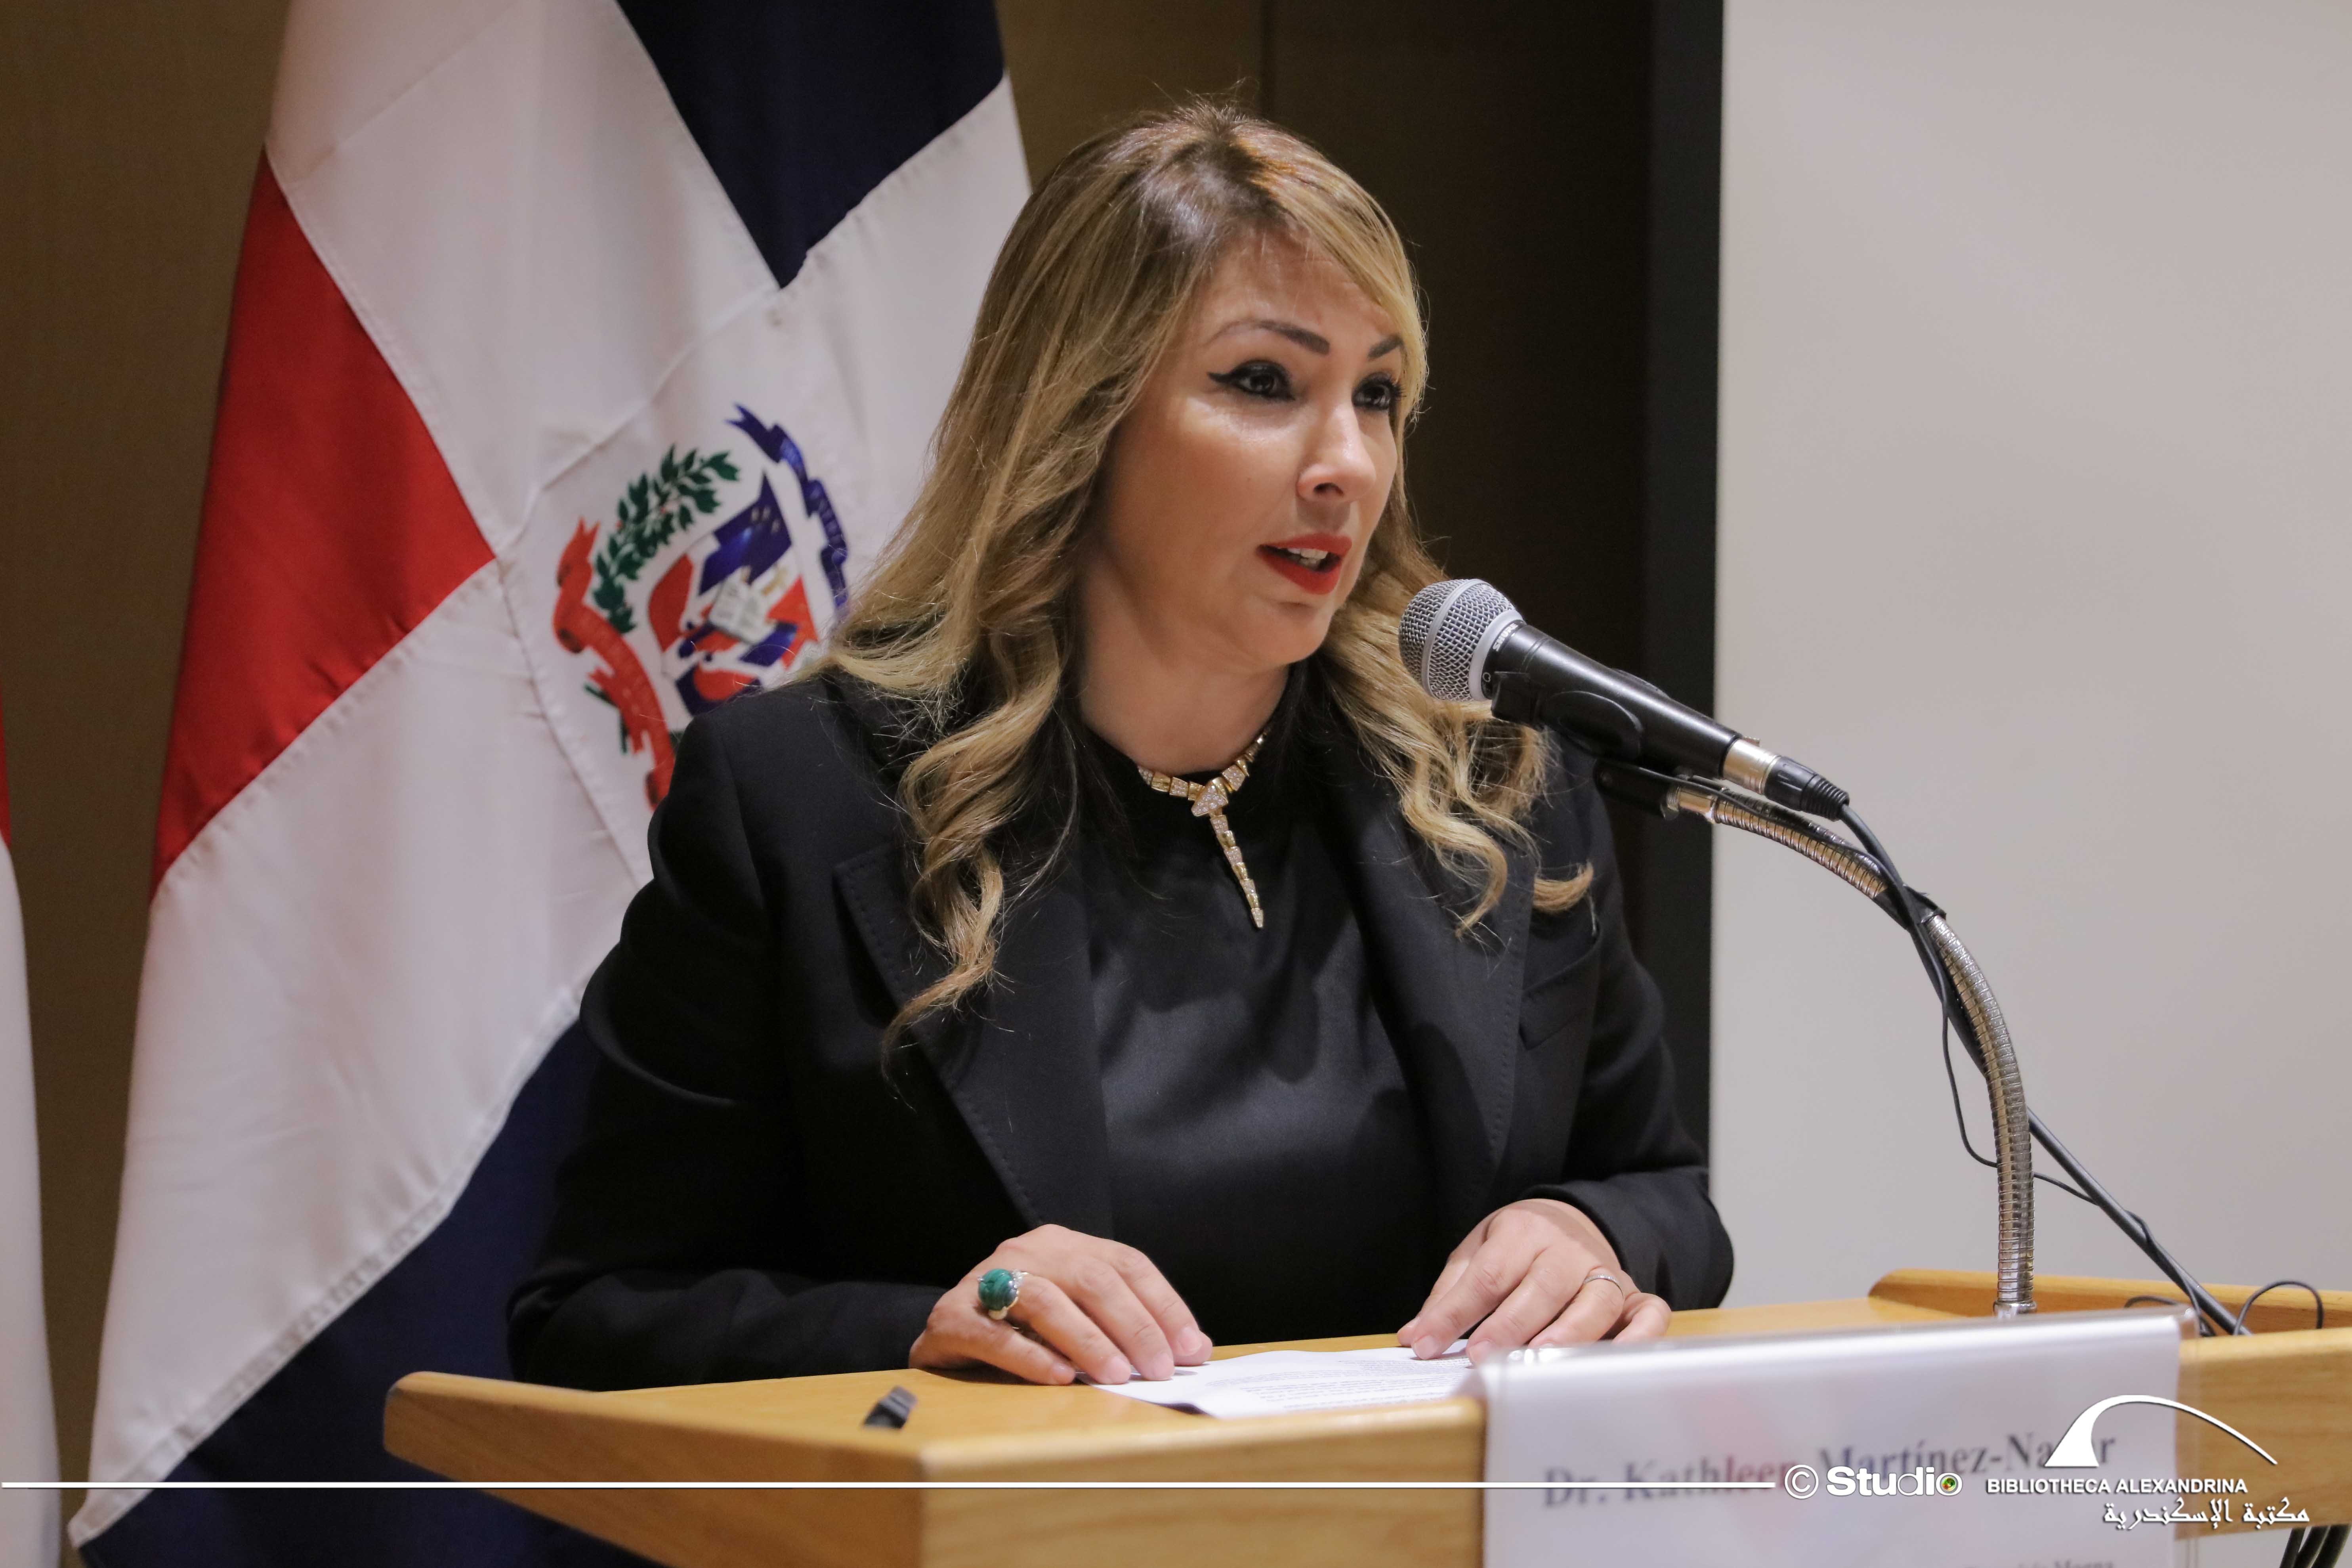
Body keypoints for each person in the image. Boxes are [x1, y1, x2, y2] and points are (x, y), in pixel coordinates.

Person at [509, 101, 1732, 1394]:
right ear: (1080, 415)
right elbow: (595, 1316)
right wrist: (935, 1326)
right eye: (1264, 382)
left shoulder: (1493, 784)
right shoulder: (806, 798)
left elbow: (1662, 1191)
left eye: (1376, 394)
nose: (1348, 465)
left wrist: (1588, 1237)